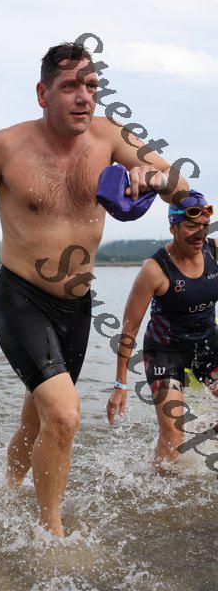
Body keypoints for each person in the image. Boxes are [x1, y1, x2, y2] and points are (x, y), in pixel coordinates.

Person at [0, 42, 189, 536]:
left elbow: (181, 187)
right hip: (20, 297)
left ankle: (5, 491)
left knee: (38, 419)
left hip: (76, 307)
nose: (84, 97)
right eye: (70, 86)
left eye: (91, 86)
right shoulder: (5, 146)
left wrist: (154, 177)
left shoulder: (111, 136)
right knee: (65, 415)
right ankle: (50, 534)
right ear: (43, 94)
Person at [107, 193, 218, 472]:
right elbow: (129, 329)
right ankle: (155, 483)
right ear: (173, 227)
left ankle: (201, 432)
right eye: (191, 226)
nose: (200, 234)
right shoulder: (154, 270)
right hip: (165, 352)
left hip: (208, 344)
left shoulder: (215, 252)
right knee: (172, 438)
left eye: (205, 226)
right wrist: (120, 384)